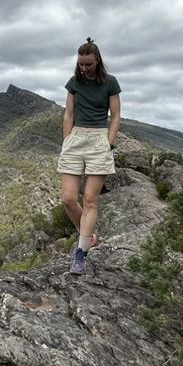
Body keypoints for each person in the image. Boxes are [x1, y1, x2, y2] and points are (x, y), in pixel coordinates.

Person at [57, 37, 121, 274]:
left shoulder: (110, 83)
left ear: (97, 61)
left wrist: (109, 143)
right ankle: (88, 234)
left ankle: (81, 254)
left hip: (98, 139)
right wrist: (67, 140)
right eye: (81, 64)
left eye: (88, 64)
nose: (84, 68)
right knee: (67, 198)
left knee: (91, 199)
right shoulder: (74, 82)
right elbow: (68, 113)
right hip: (76, 138)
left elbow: (115, 116)